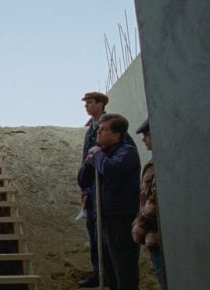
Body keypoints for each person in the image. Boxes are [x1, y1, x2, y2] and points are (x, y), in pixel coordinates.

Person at [79, 113, 141, 290]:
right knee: (109, 271)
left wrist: (97, 156)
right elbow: (83, 180)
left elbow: (112, 169)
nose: (97, 132)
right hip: (103, 218)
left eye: (103, 129)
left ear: (117, 135)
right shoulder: (101, 154)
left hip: (121, 219)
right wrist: (89, 160)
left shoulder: (127, 152)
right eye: (98, 128)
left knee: (124, 271)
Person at [77, 91, 108, 287]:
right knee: (93, 231)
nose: (86, 105)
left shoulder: (108, 126)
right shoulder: (90, 129)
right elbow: (84, 158)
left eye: (90, 102)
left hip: (104, 187)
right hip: (91, 187)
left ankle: (107, 273)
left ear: (101, 104)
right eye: (85, 102)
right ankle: (97, 271)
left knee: (103, 233)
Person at [132, 118, 166, 289]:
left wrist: (140, 224)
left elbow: (153, 203)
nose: (144, 139)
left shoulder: (162, 164)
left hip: (158, 234)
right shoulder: (154, 163)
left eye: (147, 135)